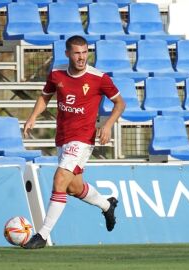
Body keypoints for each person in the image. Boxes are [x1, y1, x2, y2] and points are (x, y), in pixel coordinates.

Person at [22, 35, 126, 249]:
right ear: (67, 53)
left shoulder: (100, 78)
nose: (82, 57)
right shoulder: (56, 74)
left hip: (83, 138)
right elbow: (45, 96)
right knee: (73, 187)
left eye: (85, 52)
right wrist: (32, 116)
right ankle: (107, 206)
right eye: (77, 53)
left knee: (60, 179)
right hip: (62, 136)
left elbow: (120, 103)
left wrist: (106, 125)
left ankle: (42, 236)